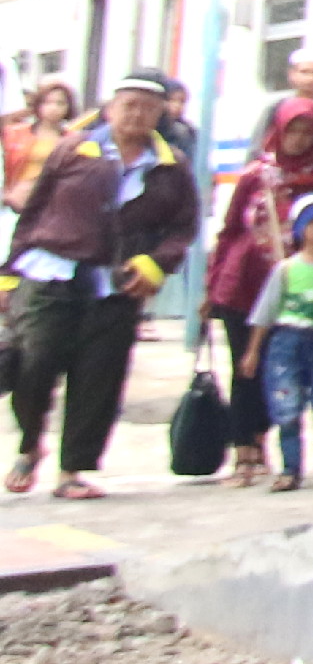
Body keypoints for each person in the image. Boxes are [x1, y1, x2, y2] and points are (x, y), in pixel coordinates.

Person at [5, 70, 195, 499]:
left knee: (98, 378)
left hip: (118, 286)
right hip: (52, 273)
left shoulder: (170, 166)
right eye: (129, 105)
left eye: (147, 108)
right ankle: (30, 444)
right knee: (33, 363)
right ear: (110, 109)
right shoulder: (73, 149)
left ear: (160, 115)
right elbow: (34, 211)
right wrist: (8, 273)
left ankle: (73, 470)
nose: (136, 115)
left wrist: (157, 263)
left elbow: (183, 228)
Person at [207, 90, 313, 486]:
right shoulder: (255, 175)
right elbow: (231, 229)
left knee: (285, 369)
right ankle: (245, 450)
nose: (297, 140)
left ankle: (280, 445)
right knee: (245, 366)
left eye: (307, 133)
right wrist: (211, 286)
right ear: (277, 131)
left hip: (299, 289)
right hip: (244, 283)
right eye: (291, 131)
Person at [239, 192, 313, 492]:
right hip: (289, 342)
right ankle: (290, 469)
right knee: (287, 405)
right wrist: (253, 352)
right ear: (301, 229)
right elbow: (265, 312)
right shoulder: (287, 269)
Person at [248, 55, 313, 171]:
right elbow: (257, 146)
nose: (310, 78)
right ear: (292, 74)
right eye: (304, 72)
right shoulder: (277, 107)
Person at [3, 83, 73, 215]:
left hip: (51, 207)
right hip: (14, 202)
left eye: (60, 103)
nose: (53, 108)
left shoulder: (73, 140)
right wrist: (7, 195)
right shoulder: (14, 134)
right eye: (47, 102)